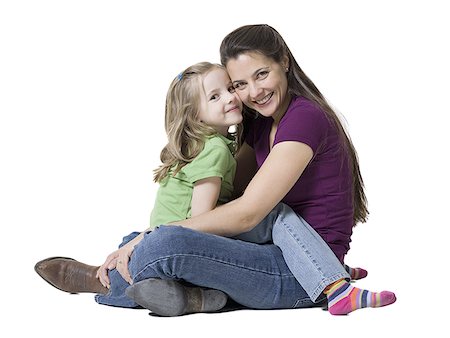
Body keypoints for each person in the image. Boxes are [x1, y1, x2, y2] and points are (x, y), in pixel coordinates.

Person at [35, 24, 396, 316]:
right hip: (270, 253)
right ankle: (195, 298)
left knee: (165, 242)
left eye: (261, 74)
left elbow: (248, 213)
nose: (252, 92)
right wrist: (156, 225)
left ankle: (99, 282)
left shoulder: (304, 120)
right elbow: (230, 194)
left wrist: (158, 234)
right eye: (239, 84)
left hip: (302, 274)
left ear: (284, 62)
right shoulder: (258, 125)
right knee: (144, 237)